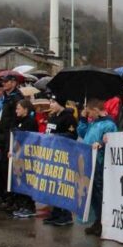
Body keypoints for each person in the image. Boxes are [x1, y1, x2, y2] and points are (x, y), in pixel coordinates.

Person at [78, 97, 118, 236]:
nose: (88, 115)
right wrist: (83, 119)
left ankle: (103, 222)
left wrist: (101, 143)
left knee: (100, 193)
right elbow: (83, 134)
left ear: (96, 110)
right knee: (93, 193)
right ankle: (97, 220)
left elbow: (111, 139)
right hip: (90, 160)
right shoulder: (94, 122)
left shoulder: (108, 124)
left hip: (100, 162)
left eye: (89, 112)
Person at [43, 93, 78, 226]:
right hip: (51, 154)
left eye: (53, 102)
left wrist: (57, 136)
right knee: (52, 185)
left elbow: (73, 135)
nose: (51, 105)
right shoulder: (52, 117)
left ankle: (66, 214)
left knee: (62, 185)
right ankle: (56, 212)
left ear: (60, 104)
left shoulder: (69, 118)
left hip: (63, 155)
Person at [0, 75, 24, 211]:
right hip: (4, 137)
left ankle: (14, 200)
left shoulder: (16, 98)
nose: (4, 84)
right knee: (4, 170)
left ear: (13, 83)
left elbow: (14, 121)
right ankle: (8, 198)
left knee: (12, 171)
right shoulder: (7, 98)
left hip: (11, 138)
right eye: (3, 82)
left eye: (6, 82)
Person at [10, 99, 39, 218]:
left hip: (27, 156)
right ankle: (21, 204)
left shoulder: (31, 122)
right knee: (19, 180)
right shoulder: (18, 121)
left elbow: (29, 139)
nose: (16, 110)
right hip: (18, 155)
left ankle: (29, 206)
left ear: (26, 110)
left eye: (19, 108)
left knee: (27, 180)